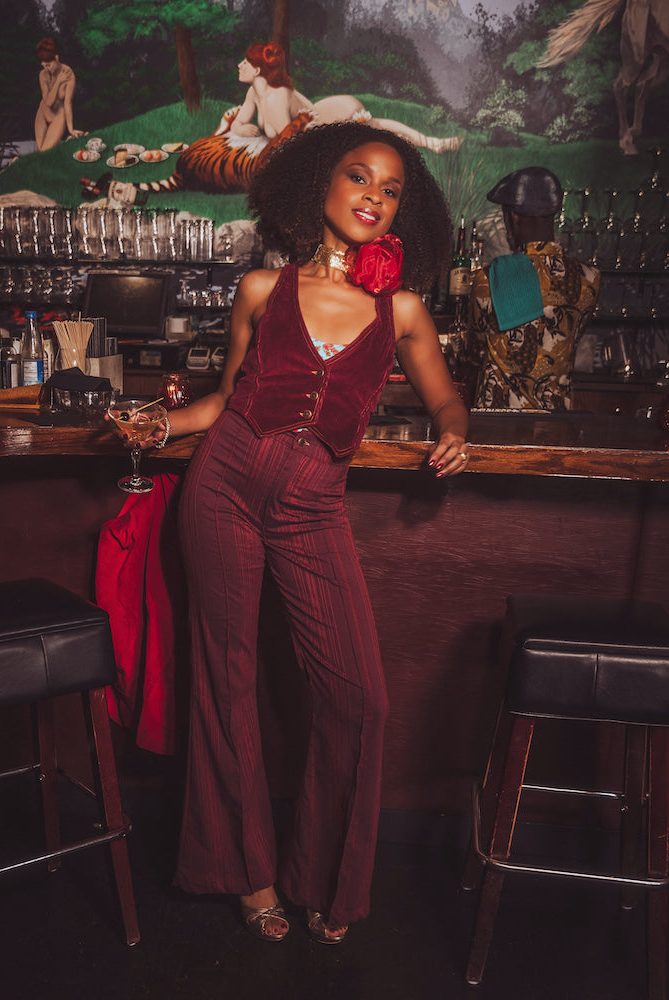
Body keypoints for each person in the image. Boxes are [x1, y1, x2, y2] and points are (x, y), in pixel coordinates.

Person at [128, 121, 468, 944]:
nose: (374, 199)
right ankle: (244, 873)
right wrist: (157, 425)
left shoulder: (403, 311)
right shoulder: (260, 290)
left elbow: (445, 399)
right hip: (222, 492)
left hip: (313, 506)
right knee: (227, 680)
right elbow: (221, 403)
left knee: (359, 698)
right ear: (319, 186)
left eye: (391, 191)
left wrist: (456, 431)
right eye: (359, 178)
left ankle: (325, 878)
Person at [466, 166, 601, 410]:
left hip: (495, 420)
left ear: (512, 217)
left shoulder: (489, 277)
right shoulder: (590, 278)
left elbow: (475, 349)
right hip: (556, 419)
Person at [230, 41, 462, 154]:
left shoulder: (277, 97)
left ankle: (430, 142)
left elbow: (290, 142)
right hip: (322, 113)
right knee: (376, 127)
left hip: (332, 115)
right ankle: (429, 142)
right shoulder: (254, 93)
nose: (239, 66)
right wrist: (240, 129)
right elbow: (240, 122)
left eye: (245, 63)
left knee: (371, 127)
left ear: (258, 70)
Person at [34, 38, 83, 151]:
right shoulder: (43, 75)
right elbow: (48, 102)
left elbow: (67, 103)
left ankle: (67, 141)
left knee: (44, 152)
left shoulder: (69, 74)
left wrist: (70, 129)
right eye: (44, 66)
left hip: (58, 116)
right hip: (43, 112)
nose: (46, 69)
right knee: (39, 151)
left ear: (56, 58)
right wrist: (58, 81)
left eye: (48, 65)